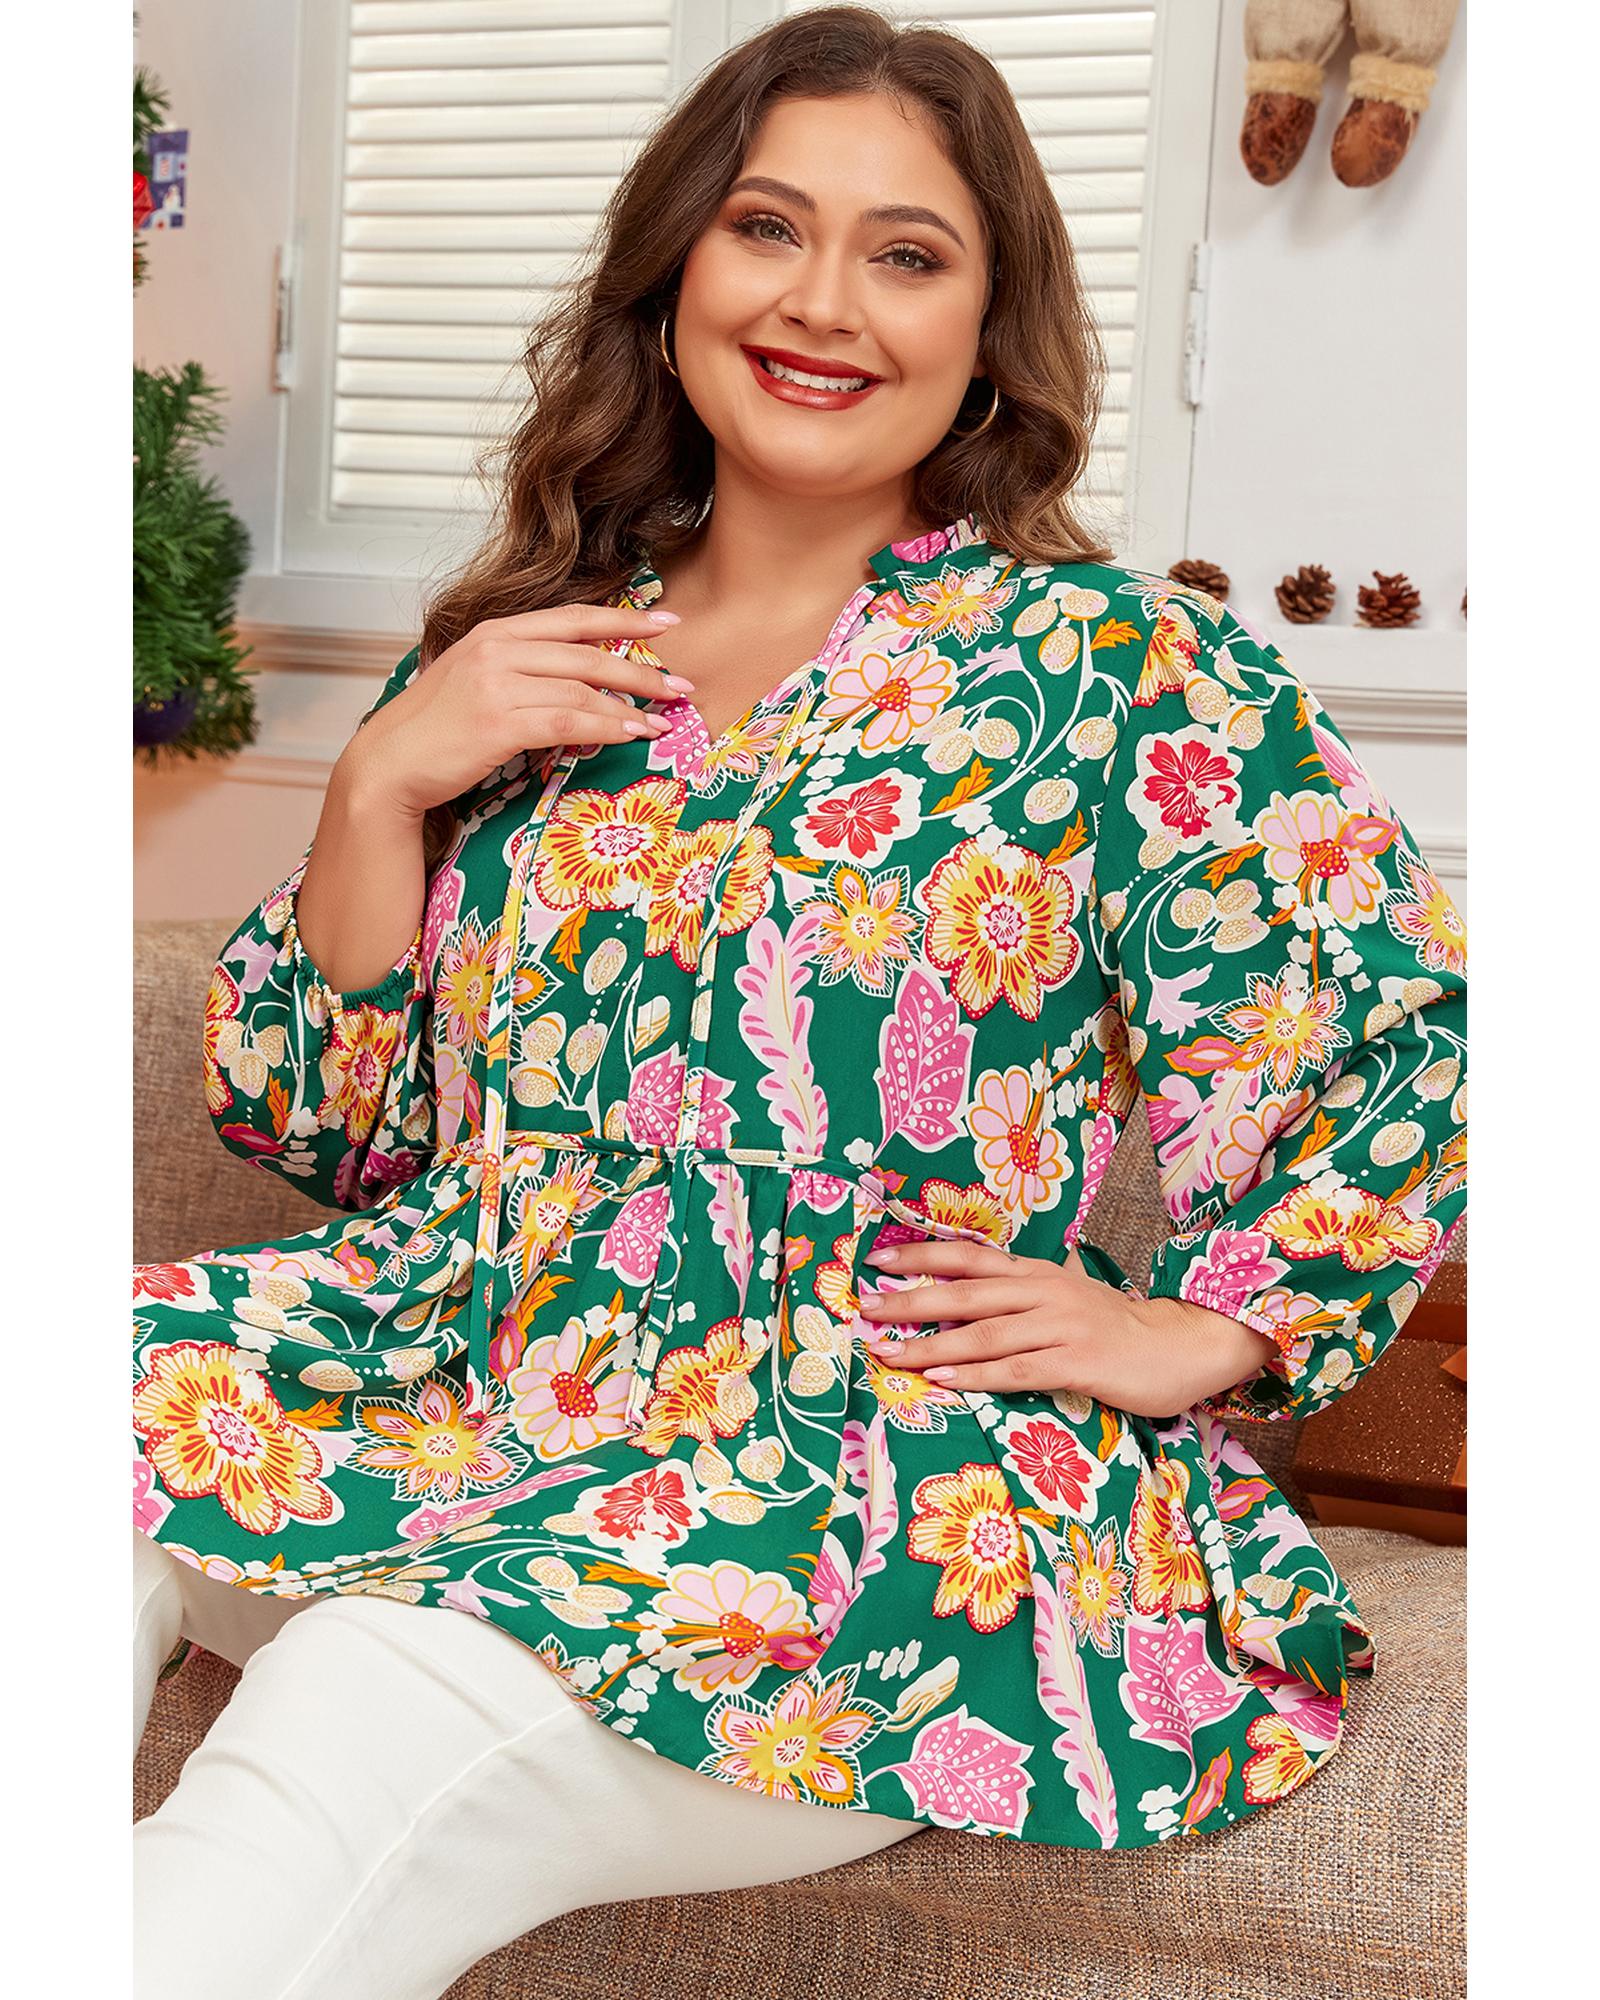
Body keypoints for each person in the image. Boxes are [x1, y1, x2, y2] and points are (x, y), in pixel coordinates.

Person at [132, 8, 1468, 1997]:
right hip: (458, 1389)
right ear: (675, 271)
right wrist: (382, 778)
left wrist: (1199, 1328)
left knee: (361, 1692)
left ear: (988, 327)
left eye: (907, 253)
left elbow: (1387, 1024)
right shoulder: (533, 649)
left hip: (845, 1478)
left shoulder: (1117, 670)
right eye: (768, 226)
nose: (822, 301)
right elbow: (333, 1130)